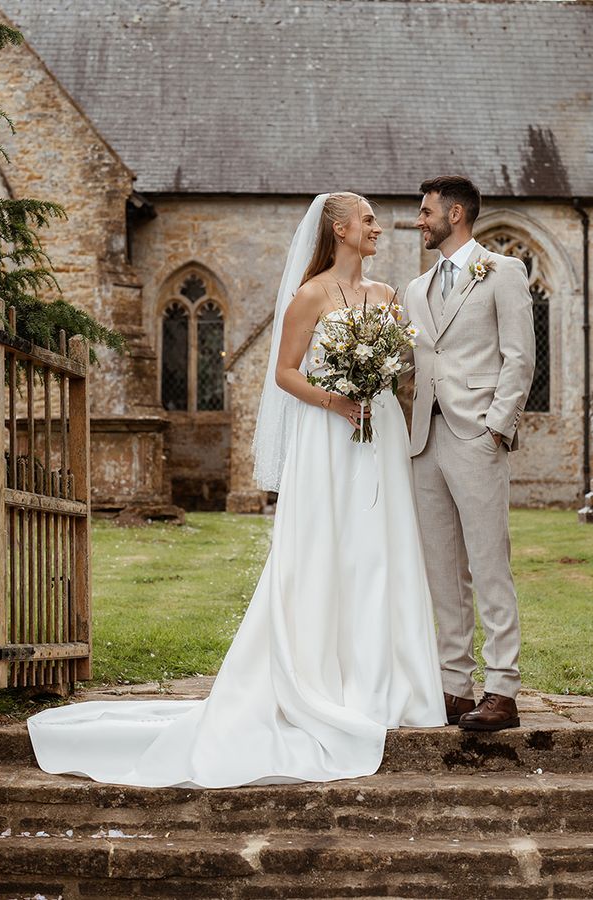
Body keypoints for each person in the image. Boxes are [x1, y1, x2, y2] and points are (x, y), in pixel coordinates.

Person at [27, 192, 445, 789]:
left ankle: (389, 679)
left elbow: (399, 365)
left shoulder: (386, 297)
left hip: (377, 434)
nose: (378, 227)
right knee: (329, 549)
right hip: (329, 437)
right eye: (369, 220)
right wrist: (336, 400)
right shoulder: (309, 296)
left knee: (383, 549)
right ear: (338, 229)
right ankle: (322, 678)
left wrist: (377, 379)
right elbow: (284, 373)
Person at [405, 175, 536, 732]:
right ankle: (455, 688)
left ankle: (502, 688)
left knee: (489, 564)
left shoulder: (503, 272)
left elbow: (519, 357)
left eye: (426, 211)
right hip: (424, 442)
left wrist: (496, 430)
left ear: (455, 214)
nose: (419, 219)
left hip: (476, 436)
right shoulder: (416, 289)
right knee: (442, 571)